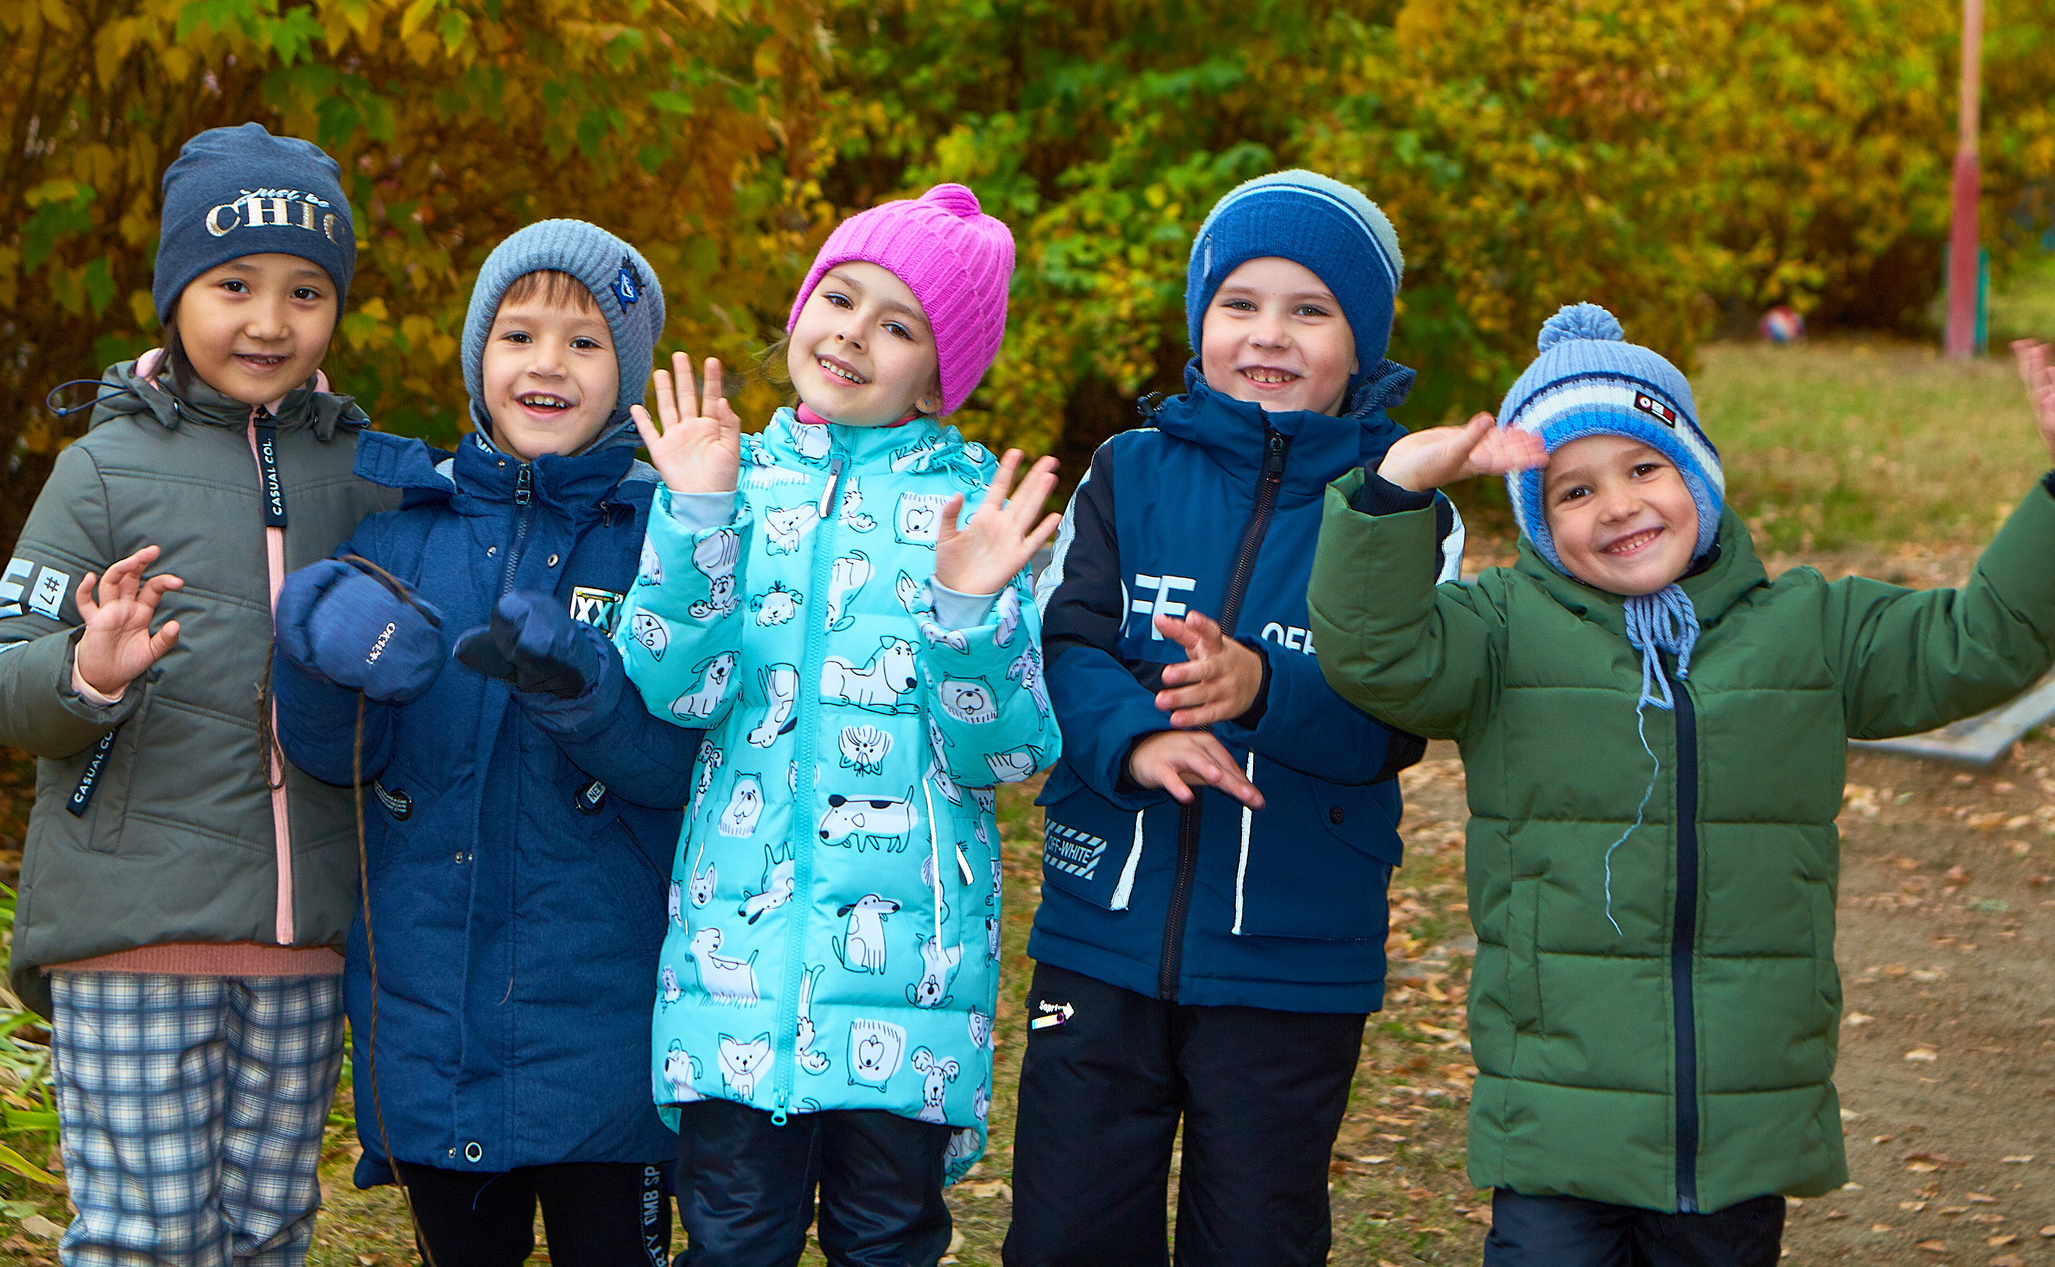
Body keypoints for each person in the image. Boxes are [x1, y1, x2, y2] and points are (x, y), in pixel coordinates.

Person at [1309, 305, 2055, 1267]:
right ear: (1538, 522)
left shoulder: (1810, 628)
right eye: (1572, 490)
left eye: (1645, 467)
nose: (1617, 505)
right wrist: (1400, 485)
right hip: (1557, 1114)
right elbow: (1374, 652)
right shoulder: (1498, 631)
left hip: (1734, 1125)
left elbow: (1978, 643)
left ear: (1697, 472)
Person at [601, 183, 1062, 1267]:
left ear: (942, 373)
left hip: (913, 985)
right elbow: (674, 691)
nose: (853, 333)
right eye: (840, 298)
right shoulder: (732, 478)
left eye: (897, 324)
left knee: (887, 1238)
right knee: (730, 1236)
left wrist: (967, 615)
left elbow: (1006, 749)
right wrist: (697, 518)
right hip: (735, 976)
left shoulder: (970, 515)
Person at [0, 123, 399, 1267]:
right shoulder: (99, 470)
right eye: (233, 283)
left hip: (305, 940)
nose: (269, 319)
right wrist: (85, 671)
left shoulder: (361, 477)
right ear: (176, 295)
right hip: (132, 926)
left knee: (268, 1231)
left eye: (307, 290)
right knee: (144, 1238)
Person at [1004, 171, 1458, 1267]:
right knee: (1067, 1230)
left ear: (1362, 343)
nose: (1269, 335)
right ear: (1199, 320)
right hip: (1100, 932)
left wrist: (1264, 690)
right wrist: (1137, 737)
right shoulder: (1125, 471)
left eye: (1310, 310)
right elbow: (1062, 644)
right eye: (1240, 304)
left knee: (1257, 1234)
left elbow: (1398, 717)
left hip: (1293, 954)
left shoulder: (1405, 513)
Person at [269, 221, 700, 1266]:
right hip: (435, 1028)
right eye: (517, 334)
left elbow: (684, 769)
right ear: (477, 358)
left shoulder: (671, 543)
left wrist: (585, 693)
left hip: (610, 1031)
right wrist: (320, 667)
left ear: (629, 374)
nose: (546, 363)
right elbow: (339, 760)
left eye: (585, 341)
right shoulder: (396, 537)